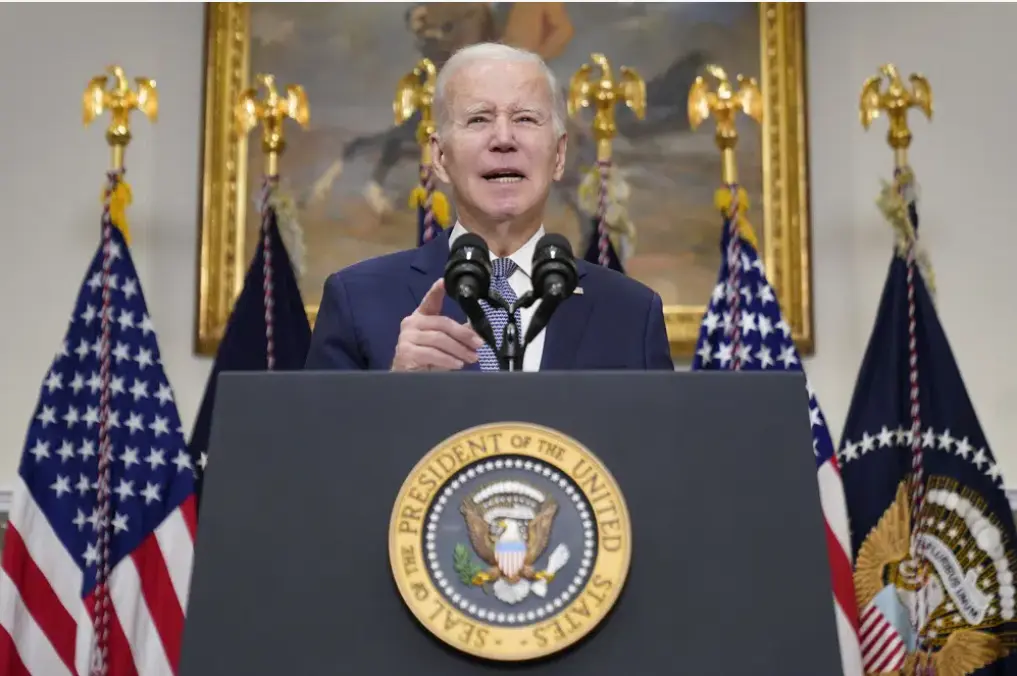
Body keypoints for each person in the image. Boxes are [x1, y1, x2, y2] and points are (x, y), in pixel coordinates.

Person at [304, 42, 673, 372]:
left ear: (559, 155)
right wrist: (397, 390)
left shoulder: (631, 314)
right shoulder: (357, 301)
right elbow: (321, 446)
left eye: (525, 118)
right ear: (440, 156)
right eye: (478, 119)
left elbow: (659, 447)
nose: (503, 139)